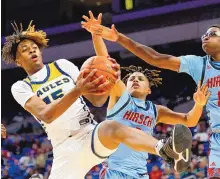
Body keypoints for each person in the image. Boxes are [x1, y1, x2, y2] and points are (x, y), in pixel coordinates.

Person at [2, 21, 192, 179]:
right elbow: (46, 114)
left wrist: (111, 80)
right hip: (65, 149)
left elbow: (97, 100)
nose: (33, 51)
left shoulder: (63, 66)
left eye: (35, 47)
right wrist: (77, 90)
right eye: (26, 50)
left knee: (112, 126)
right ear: (18, 61)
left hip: (89, 134)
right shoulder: (21, 87)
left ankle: (165, 149)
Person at [83, 20, 220, 179]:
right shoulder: (120, 98)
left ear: (149, 89)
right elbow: (105, 61)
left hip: (140, 173)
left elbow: (189, 120)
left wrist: (198, 105)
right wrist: (98, 35)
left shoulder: (155, 110)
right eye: (131, 79)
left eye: (140, 78)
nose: (134, 80)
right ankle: (164, 148)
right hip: (115, 172)